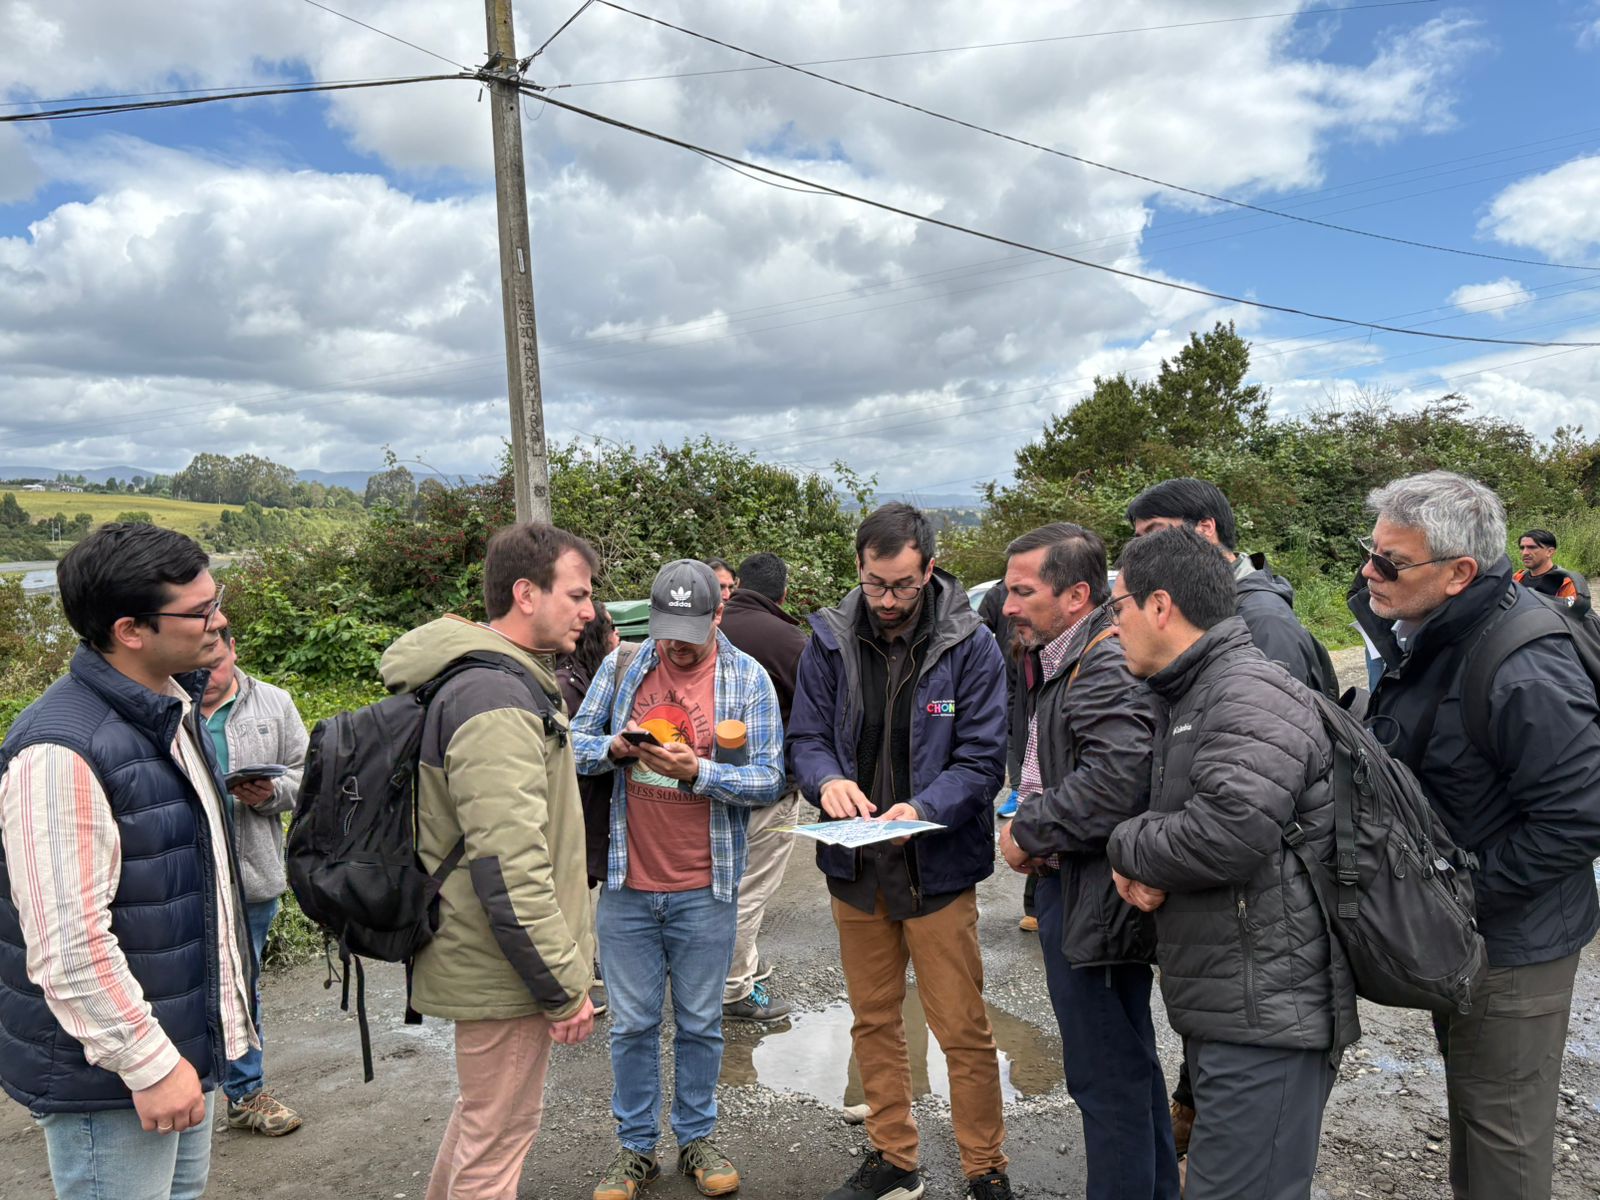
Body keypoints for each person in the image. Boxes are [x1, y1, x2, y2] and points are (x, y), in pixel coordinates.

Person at [1350, 472, 1600, 1200]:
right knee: (1474, 1118)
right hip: (1466, 934)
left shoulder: (1521, 662)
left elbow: (1581, 815)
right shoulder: (1436, 634)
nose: (1370, 571)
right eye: (1371, 551)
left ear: (1460, 573)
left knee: (1503, 1149)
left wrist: (1460, 893)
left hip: (1515, 947)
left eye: (1390, 562)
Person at [0, 523, 255, 1200]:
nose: (219, 620)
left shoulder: (168, 709)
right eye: (199, 611)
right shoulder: (62, 750)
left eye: (215, 598)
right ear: (130, 629)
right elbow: (65, 945)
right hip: (116, 1078)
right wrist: (147, 1062)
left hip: (175, 1054)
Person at [1105, 526, 1357, 1200]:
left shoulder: (1246, 692)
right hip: (1236, 1008)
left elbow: (1229, 831)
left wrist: (1125, 846)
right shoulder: (1195, 691)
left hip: (1268, 1017)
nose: (1112, 625)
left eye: (1117, 606)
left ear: (1160, 606)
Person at [788, 503, 1012, 1200]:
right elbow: (807, 738)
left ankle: (985, 1167)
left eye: (903, 587)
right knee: (874, 1019)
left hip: (936, 868)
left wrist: (922, 809)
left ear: (930, 570)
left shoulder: (971, 644)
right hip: (856, 867)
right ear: (859, 567)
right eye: (877, 584)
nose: (888, 601)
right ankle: (894, 1156)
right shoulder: (828, 638)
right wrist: (827, 782)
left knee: (962, 1028)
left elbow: (982, 760)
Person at [378, 522, 601, 1200]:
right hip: (502, 962)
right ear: (527, 593)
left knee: (486, 1124)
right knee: (498, 1141)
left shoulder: (490, 680)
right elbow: (508, 864)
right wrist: (562, 983)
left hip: (487, 952)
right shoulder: (497, 699)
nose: (590, 612)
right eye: (579, 594)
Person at [571, 559, 784, 1200]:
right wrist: (615, 748)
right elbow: (573, 741)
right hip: (628, 883)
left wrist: (702, 772)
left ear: (719, 613)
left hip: (705, 885)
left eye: (690, 629)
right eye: (666, 629)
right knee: (632, 1025)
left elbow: (771, 778)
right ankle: (635, 1151)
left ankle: (696, 1138)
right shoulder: (621, 668)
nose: (677, 644)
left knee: (700, 1022)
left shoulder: (748, 679)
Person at [995, 524, 1178, 1200]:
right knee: (1127, 1065)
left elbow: (1117, 777)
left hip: (1094, 893)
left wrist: (1029, 831)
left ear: (1076, 594)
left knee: (1105, 1075)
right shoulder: (1065, 652)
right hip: (1088, 886)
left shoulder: (1100, 661)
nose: (1009, 605)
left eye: (1022, 591)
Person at [200, 624, 307, 1137]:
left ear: (233, 649)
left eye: (214, 665)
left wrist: (269, 794)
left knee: (242, 987)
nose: (205, 677)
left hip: (251, 875)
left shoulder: (274, 703)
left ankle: (245, 1095)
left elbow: (309, 775)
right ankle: (183, 1095)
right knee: (181, 987)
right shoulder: (164, 706)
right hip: (187, 878)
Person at [1126, 477, 1337, 697]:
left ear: (1205, 528)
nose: (1144, 549)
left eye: (1154, 531)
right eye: (1139, 538)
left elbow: (1277, 719)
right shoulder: (1190, 606)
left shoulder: (1264, 618)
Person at [717, 551, 809, 1021]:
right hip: (767, 787)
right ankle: (733, 988)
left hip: (704, 780)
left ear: (734, 586)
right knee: (747, 890)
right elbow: (816, 713)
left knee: (711, 884)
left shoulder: (706, 625)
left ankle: (735, 966)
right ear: (784, 594)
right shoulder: (788, 639)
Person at [557, 600, 620, 1019]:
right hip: (571, 813)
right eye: (612, 630)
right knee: (569, 895)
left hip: (589, 811)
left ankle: (584, 971)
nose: (618, 638)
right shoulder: (565, 686)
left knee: (581, 892)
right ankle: (571, 983)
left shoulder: (591, 680)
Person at [1515, 527, 1582, 603]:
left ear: (1550, 552)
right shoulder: (1517, 578)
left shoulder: (1566, 582)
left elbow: (1572, 613)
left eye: (1532, 547)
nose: (1525, 553)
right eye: (1522, 548)